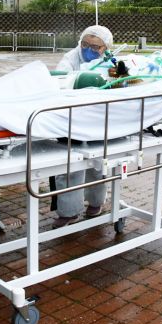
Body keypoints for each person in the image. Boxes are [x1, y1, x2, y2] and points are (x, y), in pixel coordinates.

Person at [53, 25, 114, 228]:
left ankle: (96, 203)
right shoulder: (71, 58)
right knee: (70, 165)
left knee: (98, 162)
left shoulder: (110, 61)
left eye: (95, 46)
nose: (89, 49)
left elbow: (120, 82)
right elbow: (61, 78)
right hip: (72, 116)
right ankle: (69, 212)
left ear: (105, 47)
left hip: (98, 117)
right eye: (85, 44)